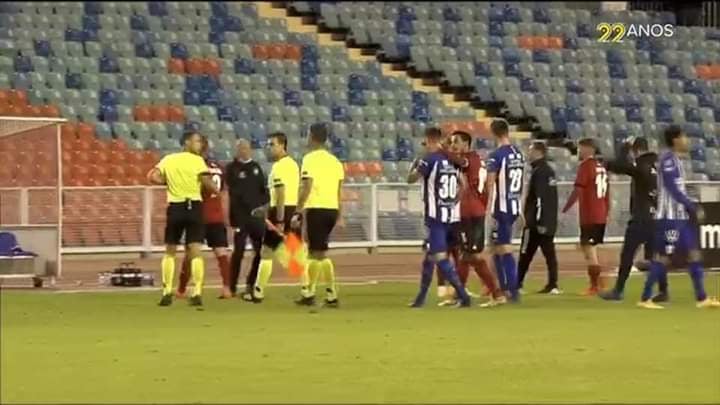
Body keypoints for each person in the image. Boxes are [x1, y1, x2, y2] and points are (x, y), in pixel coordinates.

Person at [637, 126, 720, 309]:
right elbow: (673, 189)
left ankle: (702, 298)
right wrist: (691, 206)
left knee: (694, 254)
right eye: (684, 137)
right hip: (669, 218)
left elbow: (678, 188)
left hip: (679, 217)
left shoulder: (675, 159)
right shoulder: (668, 160)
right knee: (662, 258)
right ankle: (645, 298)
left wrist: (689, 205)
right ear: (675, 140)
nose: (686, 140)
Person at [146, 129, 218, 307]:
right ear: (187, 142)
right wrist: (215, 189)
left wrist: (167, 182)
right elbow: (206, 182)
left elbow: (152, 176)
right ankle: (197, 292)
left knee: (170, 250)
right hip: (194, 206)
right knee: (195, 250)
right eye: (197, 141)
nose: (199, 145)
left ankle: (166, 291)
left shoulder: (169, 159)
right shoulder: (197, 161)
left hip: (175, 206)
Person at [407, 128, 471, 308]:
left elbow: (410, 179)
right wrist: (453, 201)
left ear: (428, 140)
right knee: (429, 258)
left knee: (440, 257)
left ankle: (463, 296)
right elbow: (463, 184)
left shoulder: (429, 160)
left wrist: (417, 162)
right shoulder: (451, 160)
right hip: (450, 215)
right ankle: (421, 298)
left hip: (436, 218)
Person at [600, 137, 662, 301]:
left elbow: (618, 166)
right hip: (655, 216)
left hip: (641, 217)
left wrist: (624, 148)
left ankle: (618, 290)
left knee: (627, 254)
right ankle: (663, 291)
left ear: (637, 150)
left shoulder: (641, 165)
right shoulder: (656, 167)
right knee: (653, 257)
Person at [447, 130, 503, 306]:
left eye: (456, 141)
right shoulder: (472, 159)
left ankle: (496, 293)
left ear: (466, 143)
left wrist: (440, 149)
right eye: (451, 142)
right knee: (466, 255)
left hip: (471, 213)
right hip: (469, 212)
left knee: (471, 256)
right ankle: (461, 296)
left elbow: (460, 164)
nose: (453, 145)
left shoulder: (470, 159)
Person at [293, 123, 345, 307]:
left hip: (317, 208)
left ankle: (314, 293)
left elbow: (307, 187)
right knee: (320, 251)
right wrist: (340, 215)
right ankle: (322, 293)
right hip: (331, 209)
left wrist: (298, 210)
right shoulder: (335, 162)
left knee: (315, 253)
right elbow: (339, 192)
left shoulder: (309, 159)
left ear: (312, 137)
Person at [176, 137, 232, 299]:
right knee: (221, 253)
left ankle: (181, 289)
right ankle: (227, 288)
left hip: (198, 215)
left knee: (191, 254)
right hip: (217, 216)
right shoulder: (218, 168)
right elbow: (223, 191)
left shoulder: (196, 167)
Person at [251, 132, 300, 303]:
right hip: (290, 209)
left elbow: (280, 194)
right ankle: (308, 290)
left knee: (267, 252)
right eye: (268, 144)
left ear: (282, 145)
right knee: (294, 252)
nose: (269, 148)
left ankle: (258, 292)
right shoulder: (292, 164)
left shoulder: (279, 167)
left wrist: (278, 219)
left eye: (272, 144)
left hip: (281, 212)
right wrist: (265, 208)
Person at [562, 138, 610, 296]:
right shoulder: (601, 167)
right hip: (600, 213)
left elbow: (578, 189)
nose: (578, 151)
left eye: (580, 148)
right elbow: (607, 193)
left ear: (589, 149)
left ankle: (595, 286)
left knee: (589, 249)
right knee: (589, 247)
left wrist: (566, 208)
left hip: (590, 214)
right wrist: (607, 212)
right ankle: (600, 280)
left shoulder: (585, 166)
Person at [485, 120, 525, 302]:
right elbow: (521, 182)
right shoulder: (518, 153)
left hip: (500, 207)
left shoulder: (496, 156)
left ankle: (512, 291)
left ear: (493, 133)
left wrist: (487, 208)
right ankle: (504, 288)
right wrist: (520, 208)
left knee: (503, 248)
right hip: (514, 205)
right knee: (496, 248)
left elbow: (490, 183)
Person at [224, 139, 268, 298]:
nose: (244, 151)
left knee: (260, 251)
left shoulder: (256, 167)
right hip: (240, 217)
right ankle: (232, 286)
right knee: (238, 251)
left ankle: (251, 284)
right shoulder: (231, 168)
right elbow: (231, 192)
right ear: (237, 150)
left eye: (246, 148)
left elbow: (264, 191)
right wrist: (232, 216)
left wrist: (263, 208)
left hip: (256, 217)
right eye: (241, 148)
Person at [517, 141, 560, 294]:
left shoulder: (539, 172)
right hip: (547, 220)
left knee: (525, 253)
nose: (528, 153)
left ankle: (518, 284)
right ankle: (553, 284)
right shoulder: (549, 171)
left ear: (538, 152)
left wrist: (538, 220)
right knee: (549, 253)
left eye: (530, 150)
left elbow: (540, 199)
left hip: (535, 222)